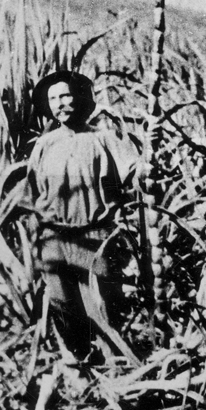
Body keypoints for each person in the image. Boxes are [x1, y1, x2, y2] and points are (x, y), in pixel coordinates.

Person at [26, 70, 141, 362]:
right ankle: (78, 365)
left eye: (65, 95)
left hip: (95, 236)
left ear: (80, 98)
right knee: (63, 304)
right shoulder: (45, 144)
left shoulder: (104, 138)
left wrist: (146, 169)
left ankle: (115, 365)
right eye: (53, 98)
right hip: (53, 237)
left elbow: (135, 171)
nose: (59, 104)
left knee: (102, 306)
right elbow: (33, 192)